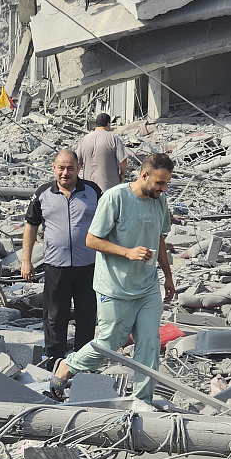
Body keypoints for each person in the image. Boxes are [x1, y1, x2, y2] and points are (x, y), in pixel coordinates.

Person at [50, 153, 176, 404]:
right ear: (144, 176)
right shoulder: (115, 198)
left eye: (166, 184)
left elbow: (159, 238)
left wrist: (168, 276)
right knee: (109, 343)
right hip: (115, 287)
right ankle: (67, 366)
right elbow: (92, 240)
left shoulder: (159, 202)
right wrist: (127, 252)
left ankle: (142, 401)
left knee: (149, 344)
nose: (163, 189)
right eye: (160, 183)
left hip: (148, 286)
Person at [21, 150, 100, 368]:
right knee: (55, 316)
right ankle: (54, 362)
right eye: (61, 168)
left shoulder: (92, 191)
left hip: (88, 266)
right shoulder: (43, 193)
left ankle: (83, 362)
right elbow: (31, 226)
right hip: (56, 267)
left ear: (78, 168)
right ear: (54, 168)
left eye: (71, 168)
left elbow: (107, 224)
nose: (66, 173)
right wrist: (26, 261)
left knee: (86, 315)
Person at [76, 113, 128, 193]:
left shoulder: (84, 140)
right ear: (108, 124)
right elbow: (123, 159)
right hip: (109, 187)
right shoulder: (113, 139)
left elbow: (77, 163)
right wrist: (122, 174)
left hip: (89, 187)